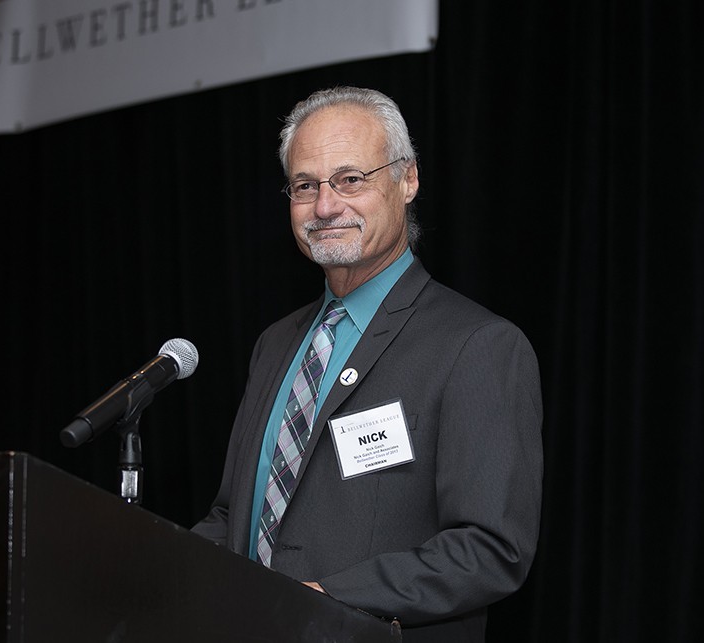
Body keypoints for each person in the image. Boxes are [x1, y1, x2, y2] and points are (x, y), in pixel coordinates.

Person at [191, 86, 543, 642]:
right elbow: (233, 518)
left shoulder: (478, 345)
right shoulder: (276, 344)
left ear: (408, 180)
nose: (325, 206)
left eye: (350, 180)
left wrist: (326, 600)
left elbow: (490, 548)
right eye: (306, 186)